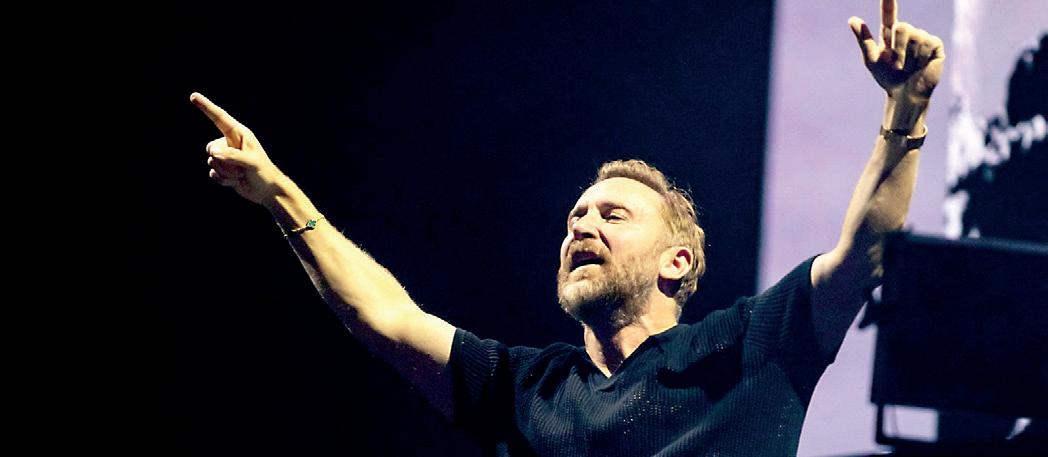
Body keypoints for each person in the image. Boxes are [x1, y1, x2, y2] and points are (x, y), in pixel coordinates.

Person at [191, 0, 943, 454]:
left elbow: (865, 252)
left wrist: (905, 107)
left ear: (677, 262)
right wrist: (278, 192)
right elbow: (382, 314)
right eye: (576, 216)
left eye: (612, 214)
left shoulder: (748, 350)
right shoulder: (526, 387)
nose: (582, 224)